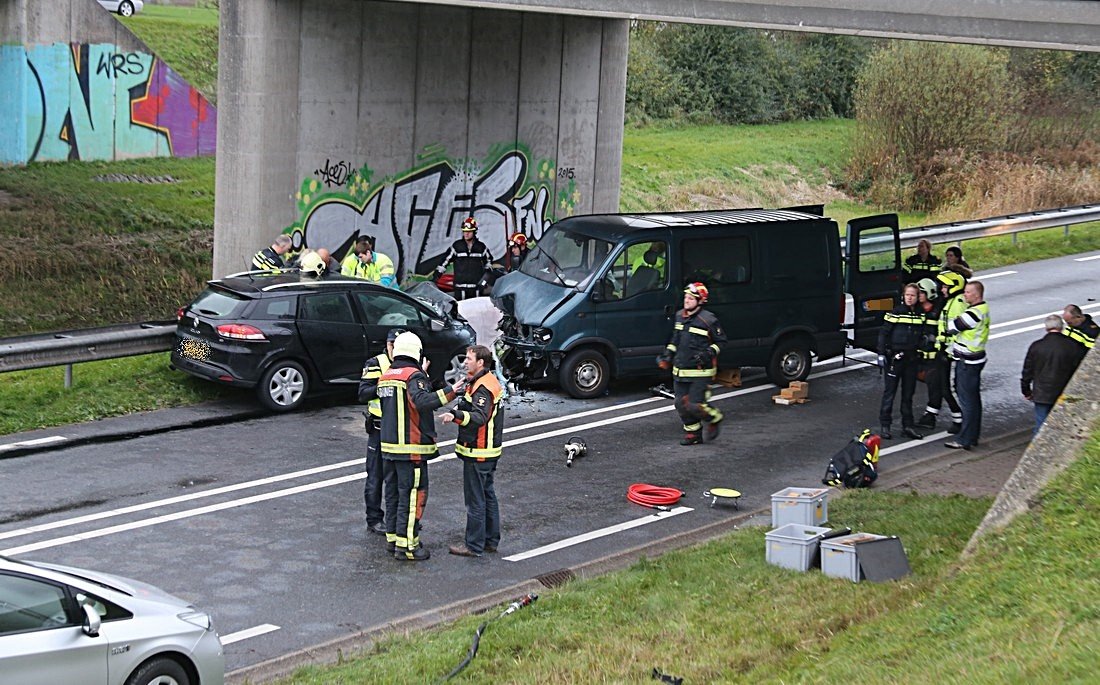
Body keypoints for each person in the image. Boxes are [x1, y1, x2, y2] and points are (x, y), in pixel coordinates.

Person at [378, 332, 463, 560]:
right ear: (416, 351)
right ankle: (408, 548)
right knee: (413, 496)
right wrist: (451, 391)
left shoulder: (387, 375)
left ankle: (394, 540)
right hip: (411, 449)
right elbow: (421, 402)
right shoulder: (413, 376)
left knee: (393, 494)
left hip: (389, 448)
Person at [441, 345, 505, 558]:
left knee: (476, 499)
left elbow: (479, 417)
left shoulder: (483, 388)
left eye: (469, 359)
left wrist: (456, 415)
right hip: (488, 451)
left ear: (481, 363)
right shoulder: (483, 381)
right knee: (488, 495)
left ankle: (474, 545)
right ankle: (490, 541)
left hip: (479, 451)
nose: (465, 362)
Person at [657, 282, 727, 445]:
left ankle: (714, 417)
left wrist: (709, 352)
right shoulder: (680, 315)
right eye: (685, 297)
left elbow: (721, 341)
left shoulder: (708, 319)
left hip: (700, 372)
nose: (686, 301)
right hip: (680, 370)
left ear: (700, 301)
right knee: (680, 404)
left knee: (695, 405)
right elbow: (676, 338)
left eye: (690, 298)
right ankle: (693, 434)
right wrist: (668, 355)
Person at [357, 328, 406, 535]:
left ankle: (397, 518)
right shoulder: (376, 364)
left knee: (397, 477)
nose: (393, 349)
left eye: (397, 345)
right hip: (378, 428)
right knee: (375, 476)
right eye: (390, 345)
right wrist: (384, 384)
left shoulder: (409, 363)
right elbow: (362, 393)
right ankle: (374, 518)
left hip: (399, 428)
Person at [944, 280, 990, 450]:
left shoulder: (974, 313)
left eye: (968, 292)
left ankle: (965, 439)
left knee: (968, 401)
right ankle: (972, 435)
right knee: (973, 400)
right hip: (974, 359)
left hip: (968, 362)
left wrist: (954, 320)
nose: (965, 294)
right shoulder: (982, 309)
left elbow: (952, 327)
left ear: (977, 294)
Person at [877, 283, 927, 440]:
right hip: (895, 358)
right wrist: (880, 353)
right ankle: (885, 425)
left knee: (908, 394)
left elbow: (922, 335)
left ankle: (908, 426)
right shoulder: (896, 312)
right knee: (889, 393)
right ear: (903, 296)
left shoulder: (920, 314)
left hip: (911, 360)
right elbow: (884, 333)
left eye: (913, 295)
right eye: (907, 295)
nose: (910, 298)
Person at [1021, 315, 1085, 436]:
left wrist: (1026, 391)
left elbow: (1027, 371)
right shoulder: (1072, 345)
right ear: (1061, 327)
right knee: (1063, 423)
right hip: (1063, 390)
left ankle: (1039, 450)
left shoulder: (1037, 346)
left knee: (1041, 424)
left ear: (1046, 328)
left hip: (1042, 392)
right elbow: (1077, 369)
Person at [920, 271, 967, 433]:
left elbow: (957, 329)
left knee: (944, 387)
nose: (943, 289)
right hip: (944, 351)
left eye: (946, 286)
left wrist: (947, 350)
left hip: (947, 353)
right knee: (939, 385)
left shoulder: (958, 303)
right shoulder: (951, 301)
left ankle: (959, 419)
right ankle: (934, 414)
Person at [436, 216, 493, 300]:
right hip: (460, 288)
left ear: (474, 232)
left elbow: (489, 263)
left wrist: (484, 281)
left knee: (476, 311)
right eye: (464, 231)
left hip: (476, 288)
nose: (466, 234)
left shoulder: (481, 247)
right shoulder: (457, 246)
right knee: (461, 311)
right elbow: (445, 261)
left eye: (469, 231)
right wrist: (436, 277)